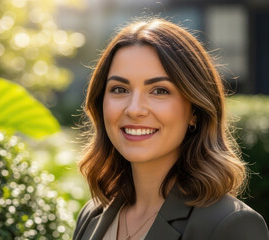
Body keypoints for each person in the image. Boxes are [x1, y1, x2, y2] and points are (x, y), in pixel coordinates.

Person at [73, 18, 269, 240]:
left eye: (159, 91)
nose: (135, 109)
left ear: (195, 110)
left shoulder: (230, 224)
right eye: (120, 89)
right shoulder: (92, 215)